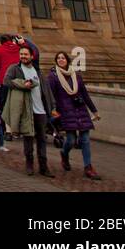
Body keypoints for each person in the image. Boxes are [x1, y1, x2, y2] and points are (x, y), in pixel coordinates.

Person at [2, 43, 56, 177]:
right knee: (28, 138)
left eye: (25, 54)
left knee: (42, 138)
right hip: (26, 110)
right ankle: (29, 165)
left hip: (41, 111)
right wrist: (22, 84)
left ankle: (43, 167)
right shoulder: (14, 68)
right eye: (21, 54)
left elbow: (46, 90)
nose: (23, 56)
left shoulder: (37, 71)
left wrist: (52, 106)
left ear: (32, 56)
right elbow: (6, 81)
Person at [47, 52, 102, 181]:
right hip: (66, 111)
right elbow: (51, 95)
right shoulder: (53, 77)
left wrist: (94, 111)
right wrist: (53, 110)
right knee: (70, 140)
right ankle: (64, 154)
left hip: (80, 110)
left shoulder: (76, 75)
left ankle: (88, 167)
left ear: (67, 60)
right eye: (58, 58)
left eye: (63, 58)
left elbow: (84, 94)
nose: (61, 60)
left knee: (85, 140)